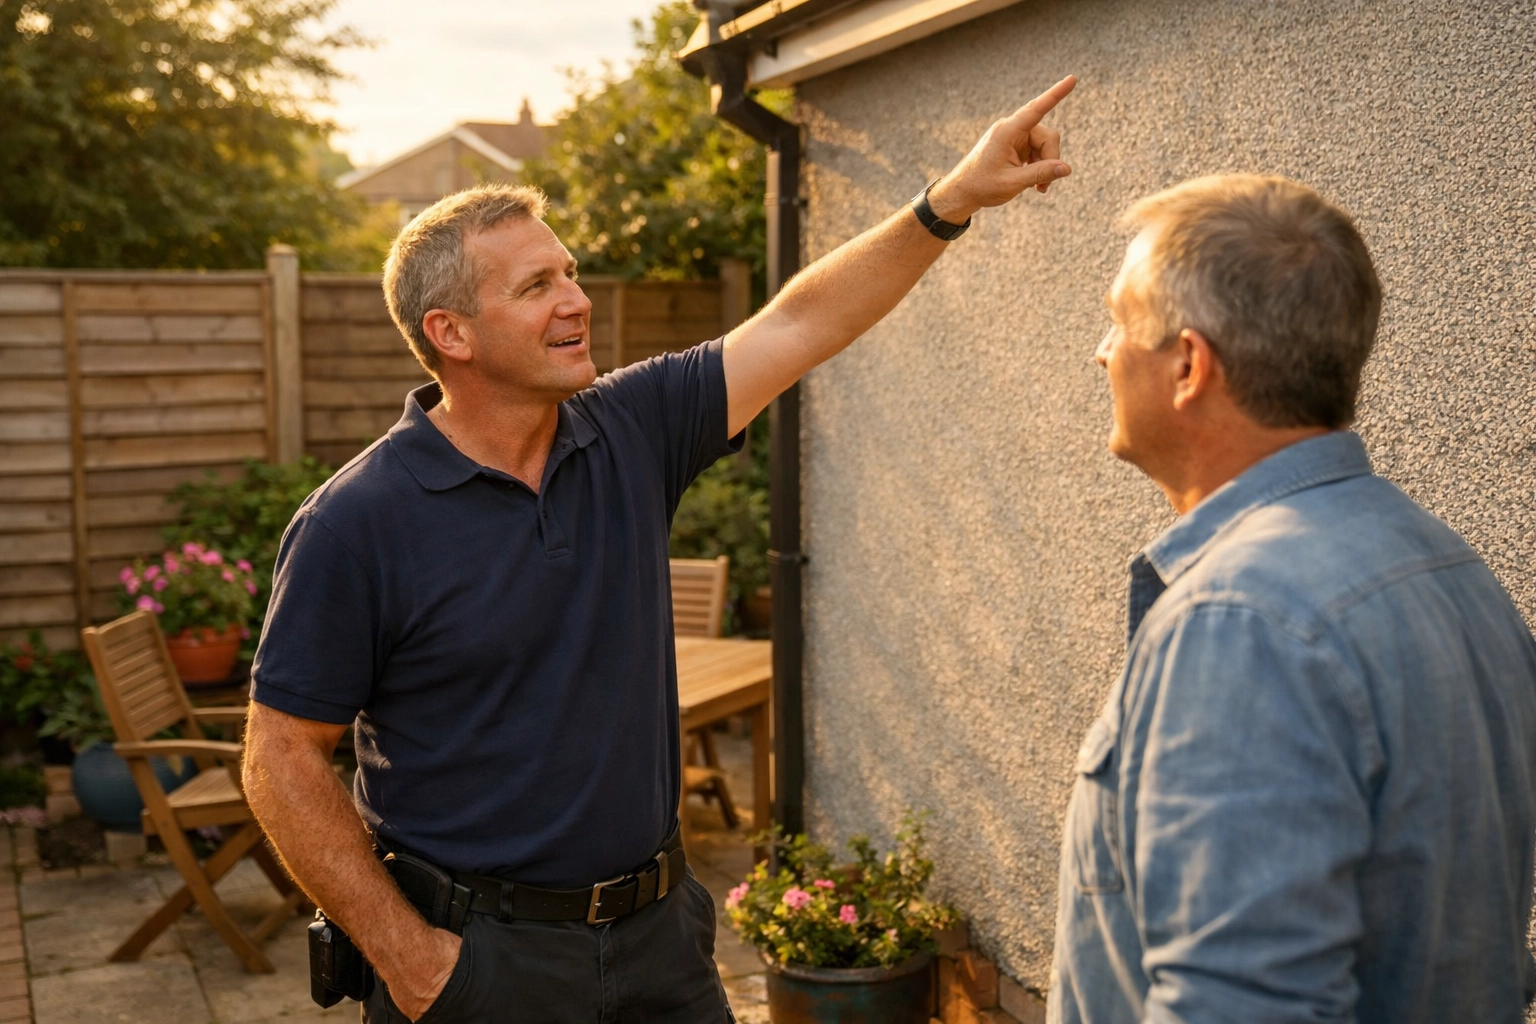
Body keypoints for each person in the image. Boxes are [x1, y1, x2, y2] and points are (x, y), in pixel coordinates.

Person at [241, 77, 1078, 1023]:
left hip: (659, 949)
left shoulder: (630, 428)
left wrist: (951, 199)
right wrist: (413, 960)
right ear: (451, 334)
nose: (577, 300)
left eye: (568, 273)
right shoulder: (357, 521)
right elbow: (280, 758)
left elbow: (800, 322)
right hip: (480, 964)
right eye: (537, 286)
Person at [1049, 174, 1536, 1024]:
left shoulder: (1241, 624)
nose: (1102, 351)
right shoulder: (1449, 567)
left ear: (1189, 366)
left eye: (1118, 322)